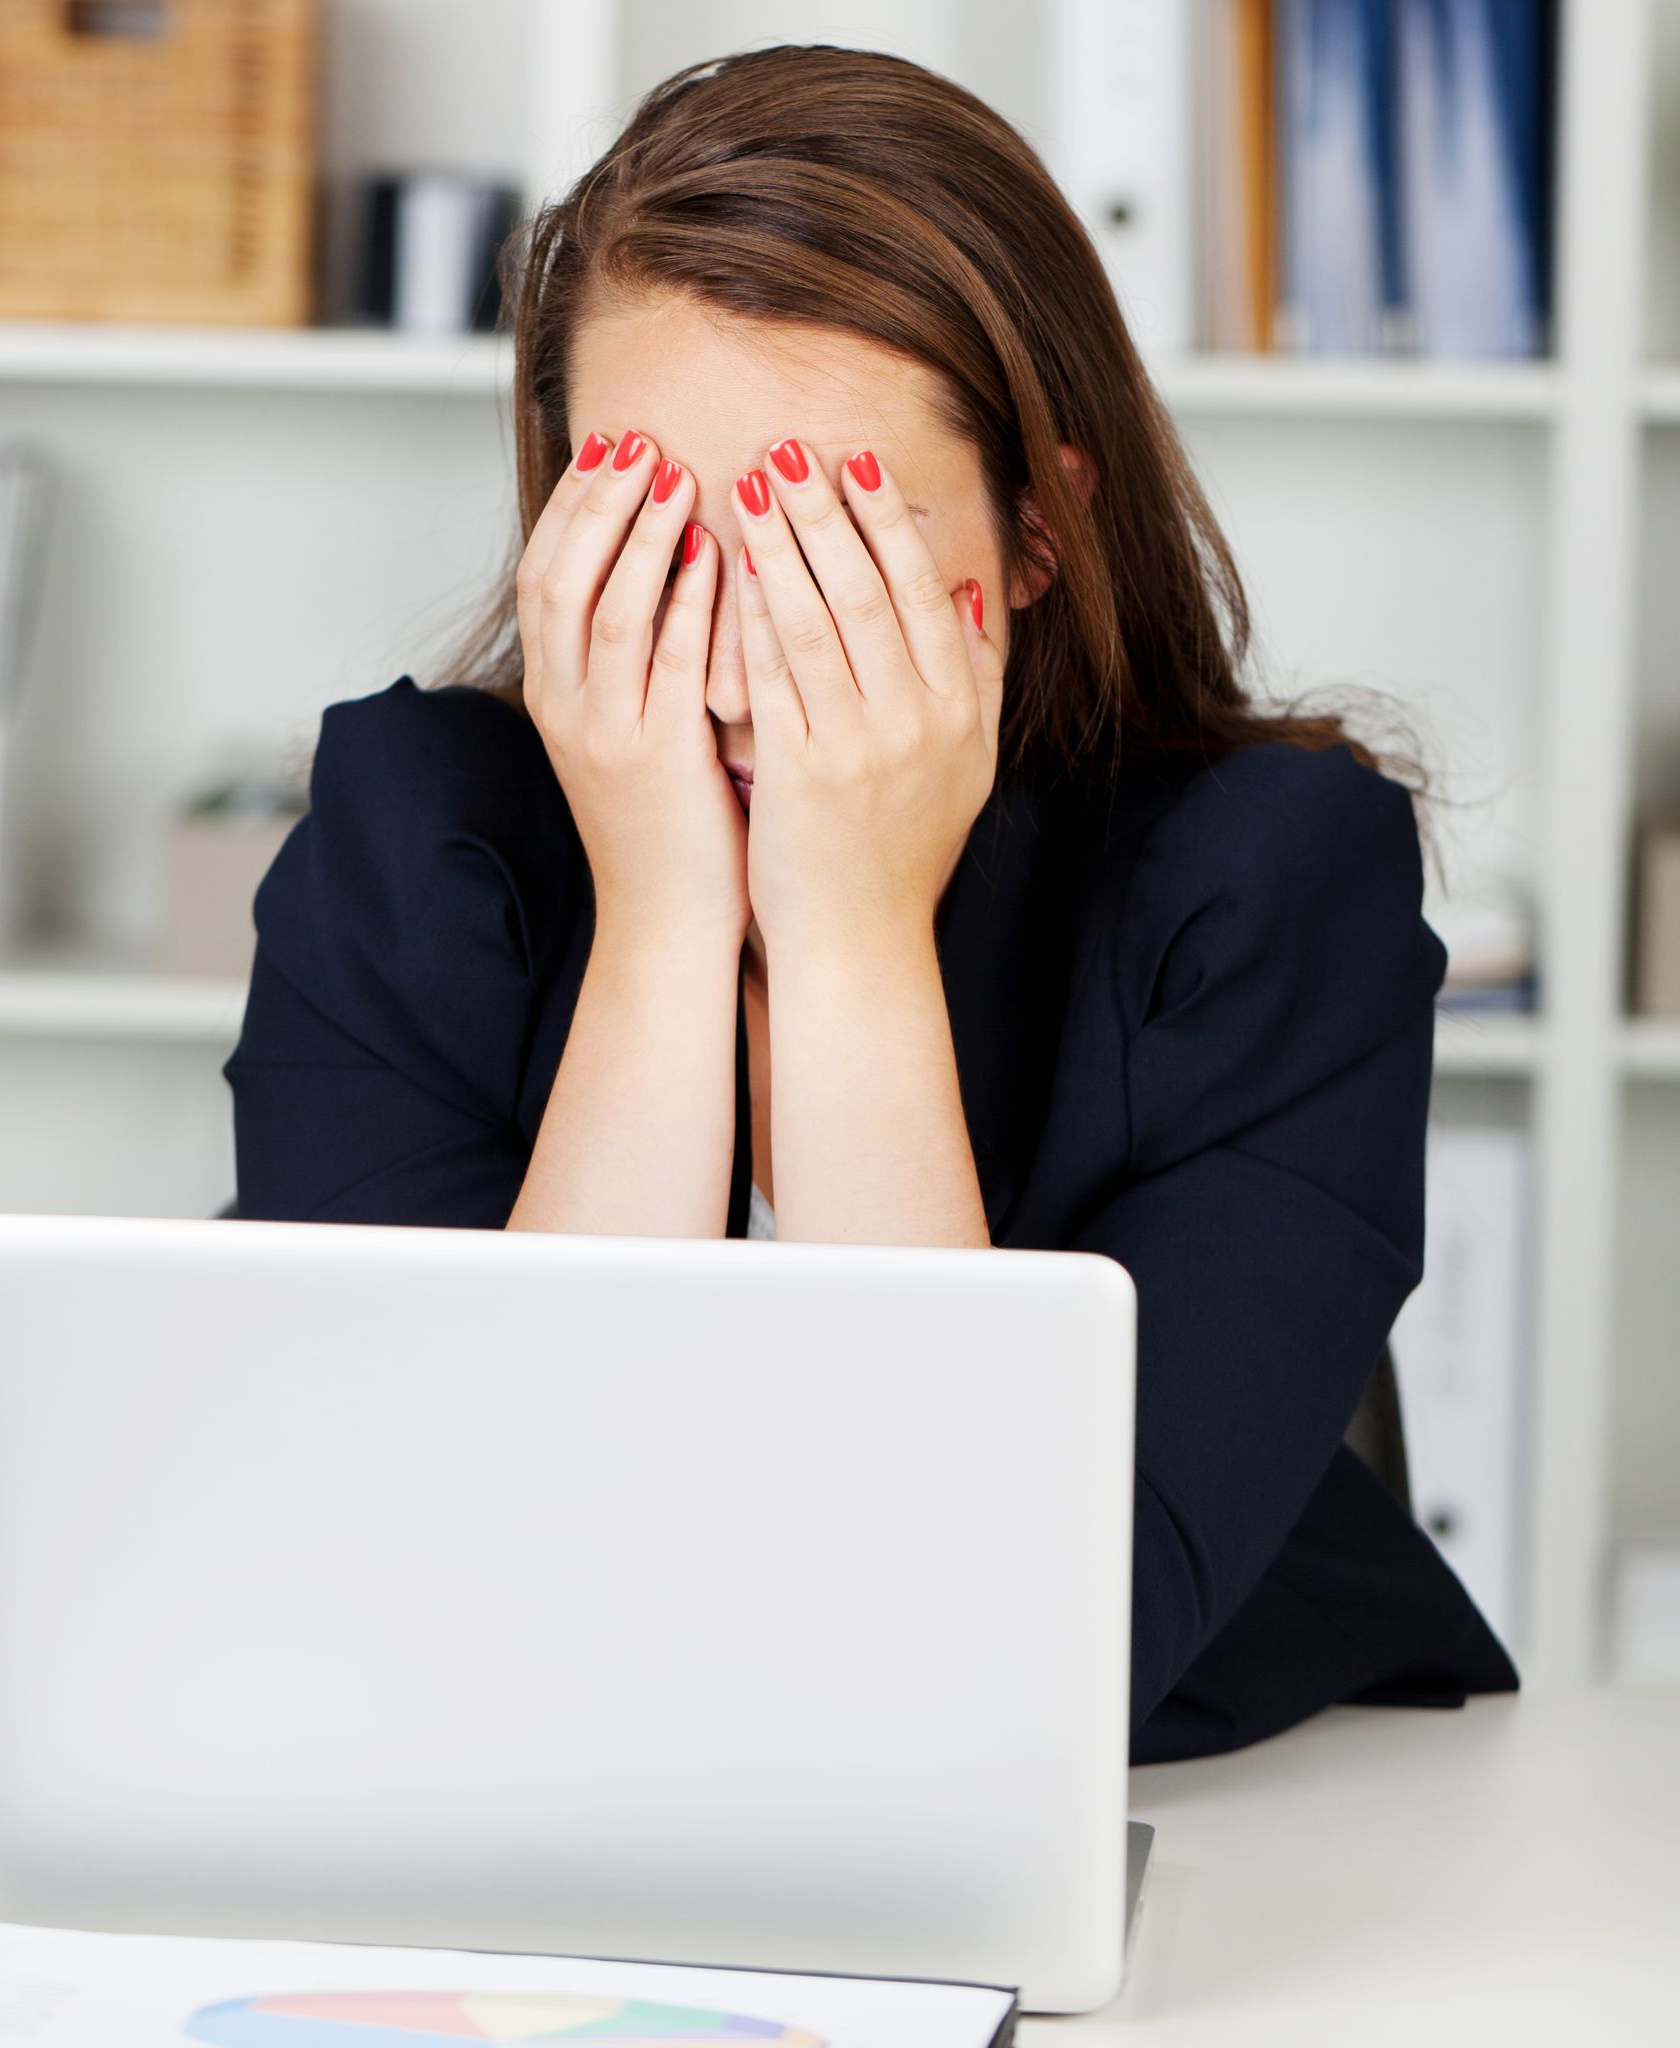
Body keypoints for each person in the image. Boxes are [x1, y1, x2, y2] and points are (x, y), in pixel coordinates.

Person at [224, 43, 1519, 1761]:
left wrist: (846, 938)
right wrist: (666, 915)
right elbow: (475, 1616)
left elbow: (997, 1686)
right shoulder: (413, 857)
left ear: (1038, 535)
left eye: (832, 555)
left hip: (1233, 1830)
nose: (744, 663)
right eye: (652, 552)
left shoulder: (1269, 897)